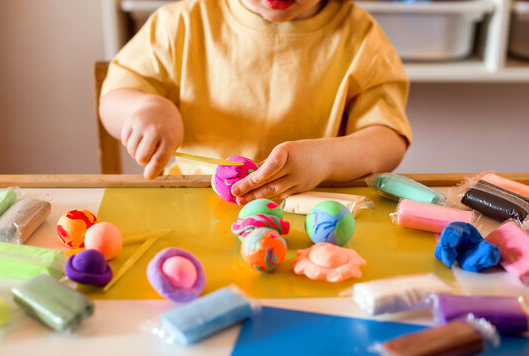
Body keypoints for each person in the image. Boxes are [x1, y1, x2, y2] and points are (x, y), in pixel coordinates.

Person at [99, 0, 412, 205]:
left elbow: (388, 138)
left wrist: (326, 158)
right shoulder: (179, 23)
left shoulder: (361, 37)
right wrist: (144, 109)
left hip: (307, 209)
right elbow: (115, 96)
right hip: (191, 202)